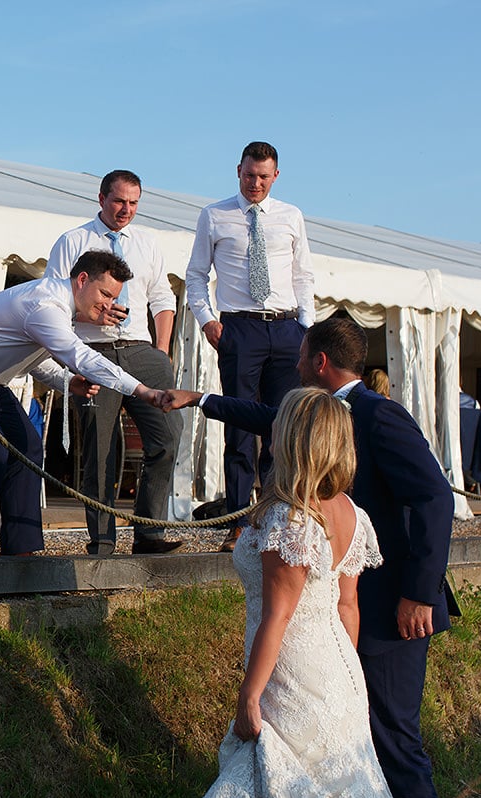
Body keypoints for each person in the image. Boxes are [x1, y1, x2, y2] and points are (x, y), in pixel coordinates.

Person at [163, 317, 455, 798]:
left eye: (299, 356)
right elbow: (266, 417)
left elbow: (435, 498)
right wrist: (200, 400)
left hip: (394, 610)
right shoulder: (311, 414)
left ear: (319, 361)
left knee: (393, 741)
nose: (293, 364)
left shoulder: (379, 414)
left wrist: (419, 594)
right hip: (339, 620)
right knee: (351, 746)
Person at [202, 387, 391, 798]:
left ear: (292, 438)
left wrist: (248, 696)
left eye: (279, 423)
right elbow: (347, 605)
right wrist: (342, 683)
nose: (271, 428)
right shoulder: (350, 512)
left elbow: (278, 615)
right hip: (339, 670)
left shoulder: (288, 515)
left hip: (291, 673)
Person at [0, 249, 172, 557]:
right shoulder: (45, 305)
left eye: (114, 298)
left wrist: (68, 383)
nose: (109, 305)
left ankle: (20, 554)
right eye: (105, 294)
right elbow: (79, 355)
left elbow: (33, 358)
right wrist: (142, 391)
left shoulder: (56, 308)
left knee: (27, 448)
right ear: (82, 280)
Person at [184, 141, 315, 550]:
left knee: (283, 426)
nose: (255, 183)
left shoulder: (291, 216)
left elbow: (304, 275)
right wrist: (207, 321)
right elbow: (195, 275)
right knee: (240, 427)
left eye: (263, 176)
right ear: (237, 171)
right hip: (239, 328)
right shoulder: (215, 215)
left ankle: (276, 516)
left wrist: (306, 328)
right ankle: (239, 520)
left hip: (286, 328)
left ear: (275, 176)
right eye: (248, 175)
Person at [45, 170, 182, 555]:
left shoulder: (148, 242)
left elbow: (163, 298)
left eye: (134, 203)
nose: (126, 210)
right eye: (120, 201)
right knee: (100, 449)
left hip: (142, 349)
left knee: (167, 438)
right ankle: (103, 540)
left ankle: (149, 532)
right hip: (93, 350)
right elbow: (54, 300)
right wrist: (89, 317)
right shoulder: (73, 241)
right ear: (102, 198)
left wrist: (162, 349)